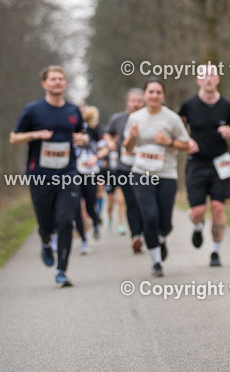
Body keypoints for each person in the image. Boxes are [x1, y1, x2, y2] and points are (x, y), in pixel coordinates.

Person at [9, 65, 88, 287]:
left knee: (66, 219)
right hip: (40, 174)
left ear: (65, 83)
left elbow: (80, 135)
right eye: (53, 79)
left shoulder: (73, 110)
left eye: (61, 79)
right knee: (46, 221)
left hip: (68, 172)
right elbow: (14, 138)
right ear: (44, 83)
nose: (57, 82)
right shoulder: (33, 110)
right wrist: (35, 134)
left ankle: (61, 270)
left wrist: (82, 139)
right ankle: (45, 239)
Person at [179, 69, 230, 267]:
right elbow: (176, 128)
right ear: (199, 80)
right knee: (197, 211)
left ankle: (215, 252)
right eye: (204, 76)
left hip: (221, 162)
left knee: (218, 207)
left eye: (212, 75)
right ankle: (198, 226)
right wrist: (186, 140)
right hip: (197, 163)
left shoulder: (227, 106)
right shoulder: (189, 105)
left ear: (217, 79)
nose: (208, 79)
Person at [123, 79, 189, 277]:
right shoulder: (135, 118)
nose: (154, 95)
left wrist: (169, 142)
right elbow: (127, 148)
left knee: (165, 222)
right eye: (150, 92)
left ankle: (162, 237)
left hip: (166, 174)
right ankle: (156, 262)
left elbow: (186, 145)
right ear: (144, 95)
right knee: (149, 216)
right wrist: (132, 137)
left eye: (158, 92)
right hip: (141, 173)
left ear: (163, 96)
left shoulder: (172, 119)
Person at [105, 89, 145, 252]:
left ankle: (145, 233)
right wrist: (109, 143)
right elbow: (108, 134)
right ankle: (136, 236)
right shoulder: (118, 119)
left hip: (144, 167)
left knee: (144, 202)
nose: (135, 104)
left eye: (138, 101)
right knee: (131, 202)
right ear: (127, 102)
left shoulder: (148, 118)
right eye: (132, 101)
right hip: (124, 168)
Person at [75, 105, 106, 253]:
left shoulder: (94, 129)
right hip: (73, 173)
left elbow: (104, 147)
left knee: (89, 206)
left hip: (91, 172)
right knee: (77, 207)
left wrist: (96, 157)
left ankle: (95, 219)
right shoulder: (68, 128)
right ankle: (84, 240)